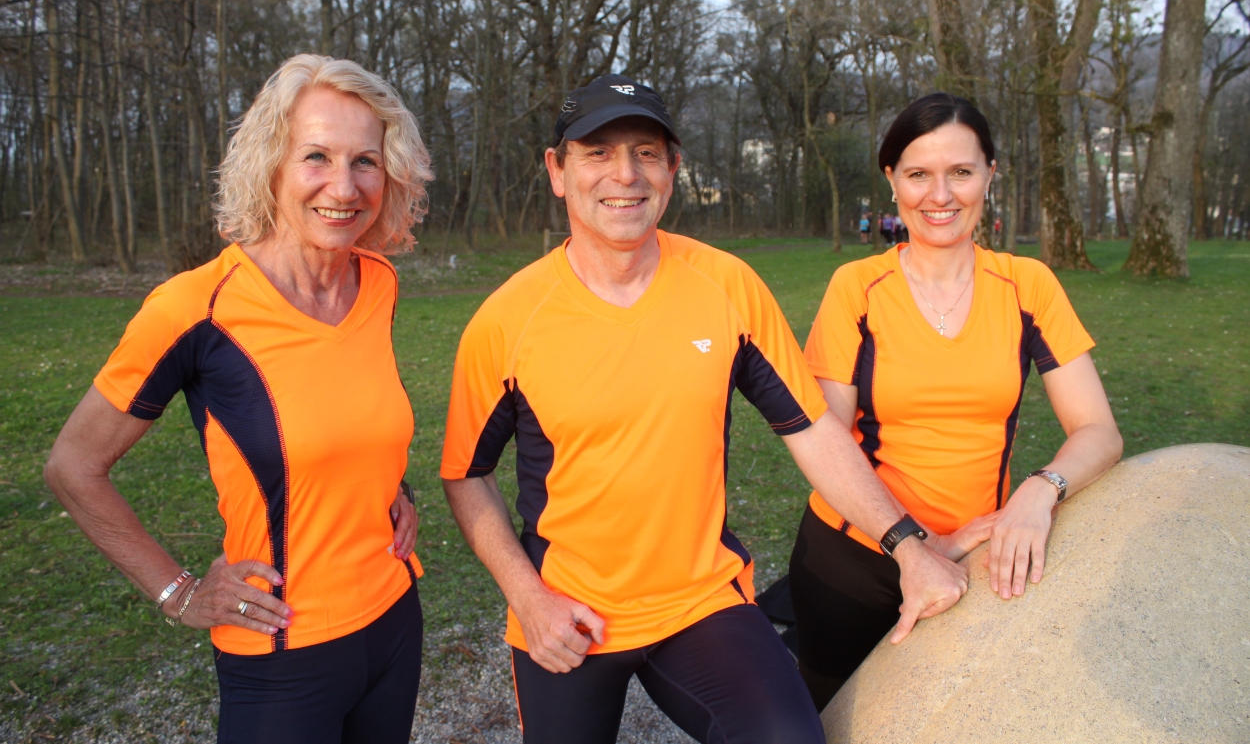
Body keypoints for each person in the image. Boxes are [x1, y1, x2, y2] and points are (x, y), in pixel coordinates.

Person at [440, 74, 968, 744]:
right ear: (557, 170)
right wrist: (527, 596)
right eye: (598, 152)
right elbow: (466, 474)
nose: (625, 174)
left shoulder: (726, 286)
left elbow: (812, 428)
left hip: (699, 603)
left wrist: (908, 547)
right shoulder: (507, 321)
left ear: (673, 168)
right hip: (567, 612)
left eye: (646, 152)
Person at [44, 55, 432, 744]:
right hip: (281, 653)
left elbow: (349, 410)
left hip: (395, 620)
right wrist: (179, 592)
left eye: (366, 162)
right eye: (316, 156)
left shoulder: (378, 281)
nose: (344, 186)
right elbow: (73, 466)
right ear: (271, 164)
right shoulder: (195, 308)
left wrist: (390, 485)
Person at [787, 92, 1123, 710]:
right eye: (918, 174)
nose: (939, 195)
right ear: (892, 180)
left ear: (990, 175)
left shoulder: (1028, 286)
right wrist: (910, 545)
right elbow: (826, 445)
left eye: (961, 172)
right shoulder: (856, 288)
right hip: (856, 555)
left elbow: (1098, 430)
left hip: (978, 554)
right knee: (832, 720)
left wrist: (1038, 492)